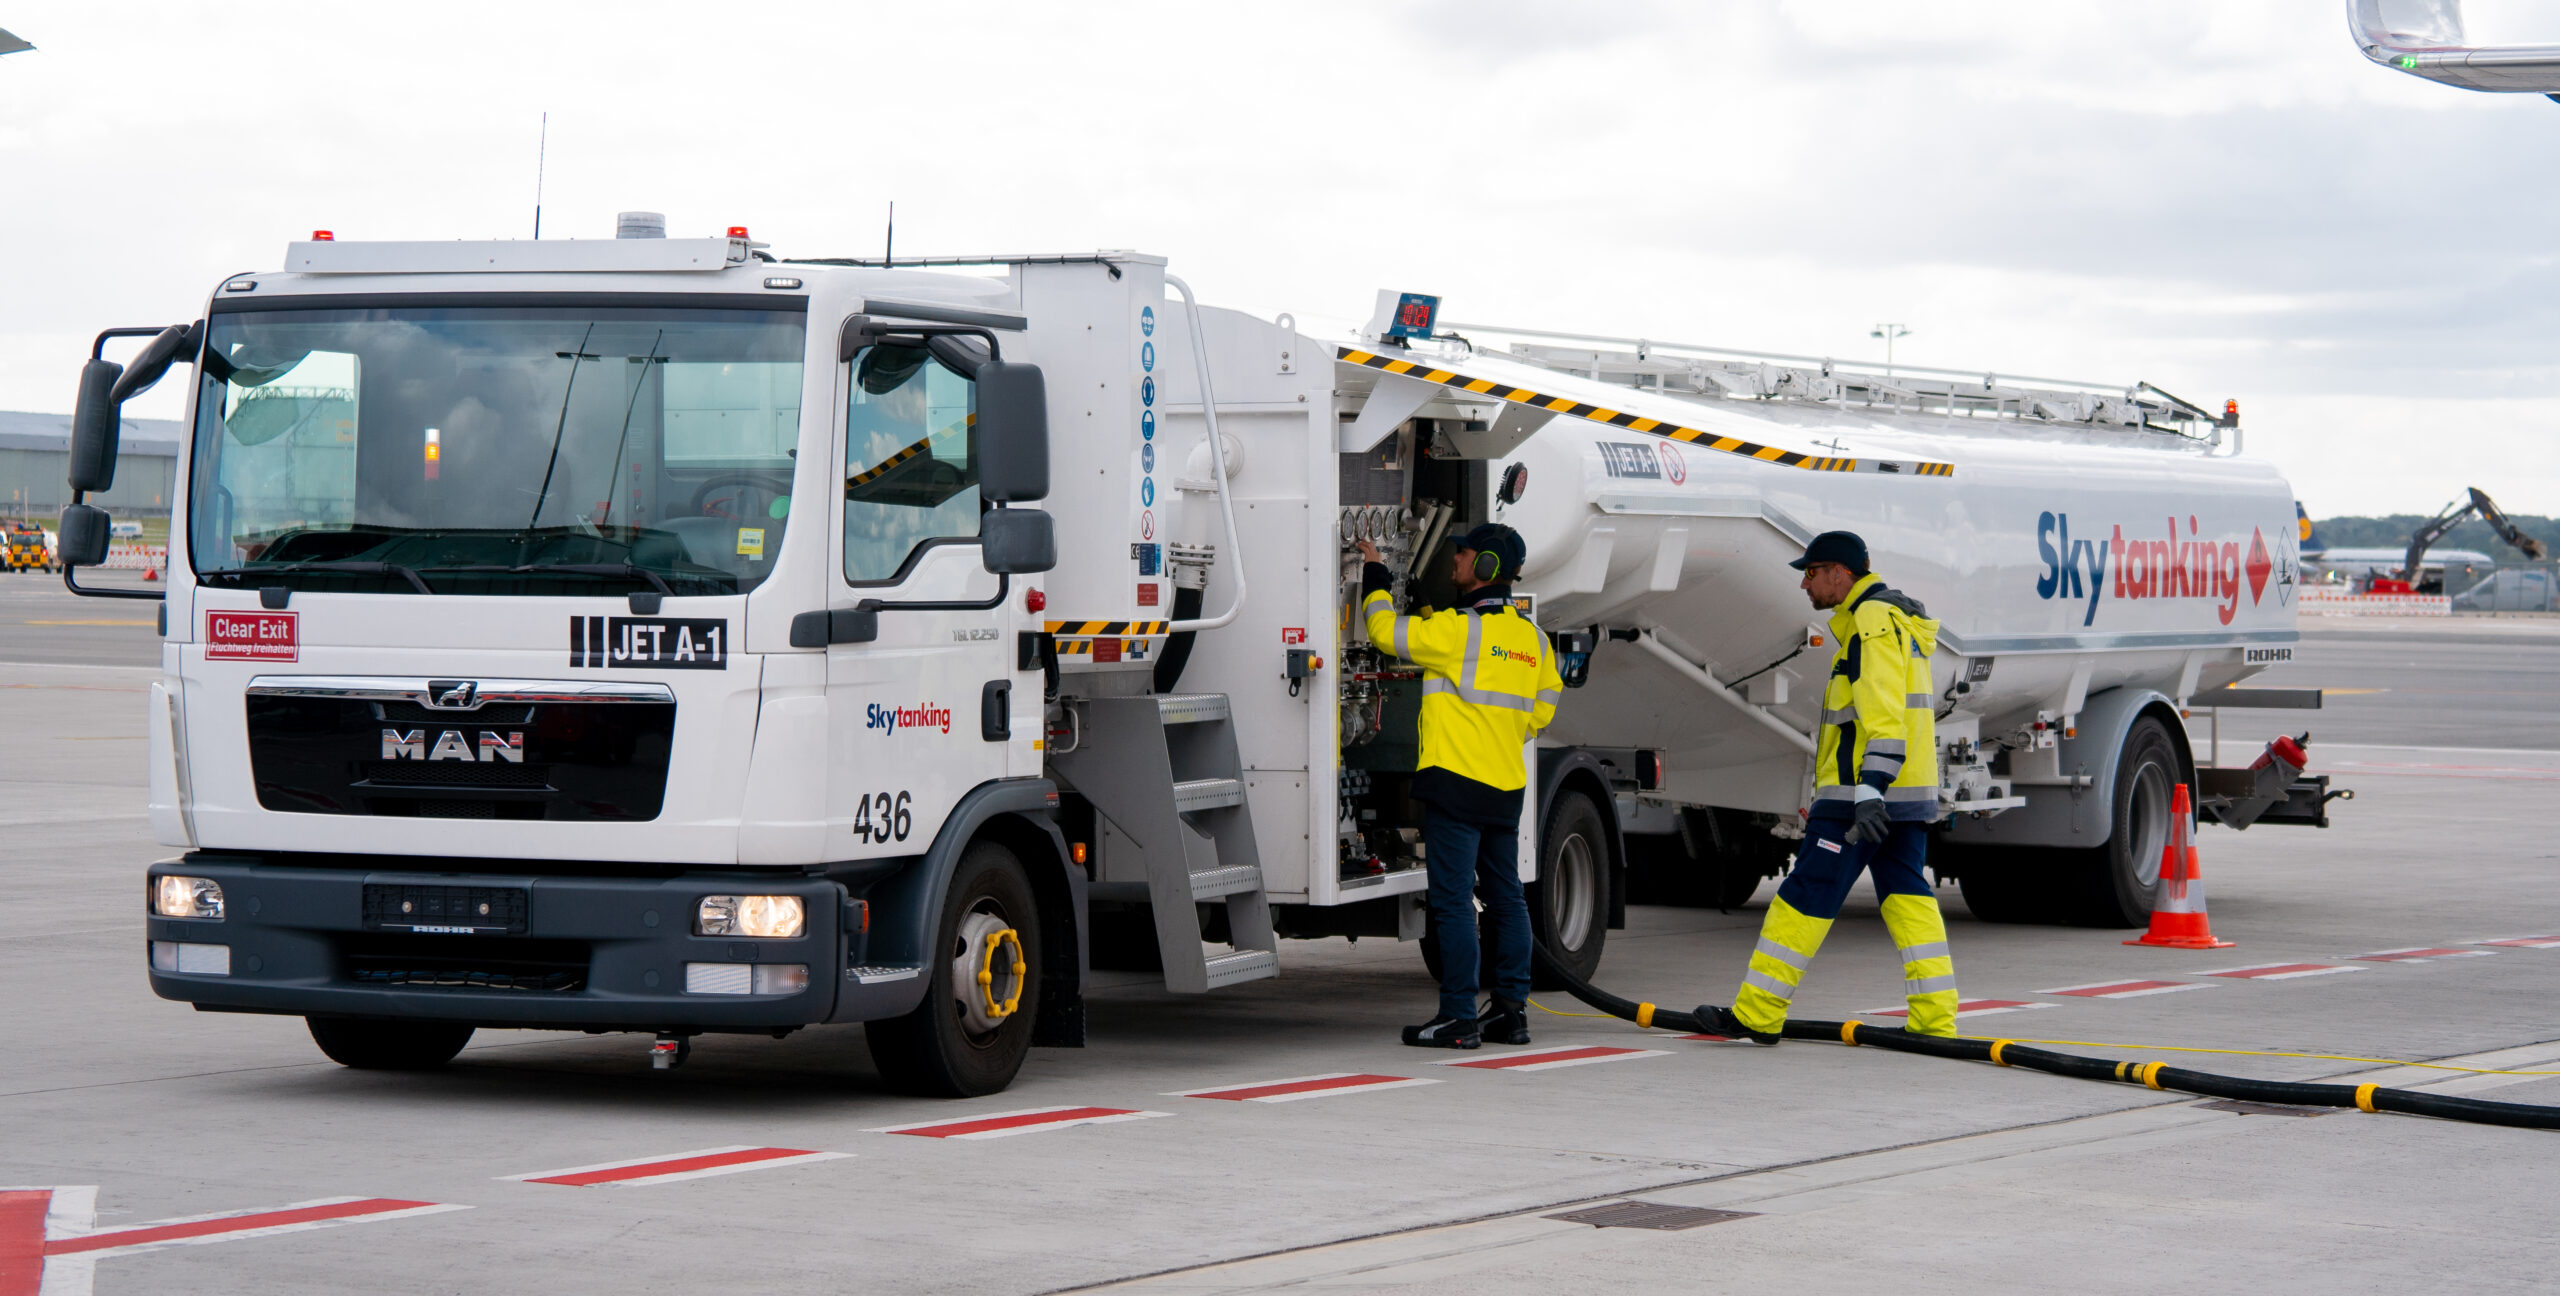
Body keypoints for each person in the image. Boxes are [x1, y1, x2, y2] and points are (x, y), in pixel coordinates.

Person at [1696, 531, 1957, 1042]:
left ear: (1840, 573)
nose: (1805, 584)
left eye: (1812, 573)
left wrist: (1869, 790)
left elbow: (1883, 716)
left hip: (1860, 799)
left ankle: (1758, 1013)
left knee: (1804, 895)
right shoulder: (1894, 620)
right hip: (1902, 797)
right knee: (1909, 898)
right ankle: (1934, 1020)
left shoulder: (1871, 622)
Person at [1356, 523, 1562, 1049]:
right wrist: (1499, 734)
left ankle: (1458, 1017)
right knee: (1507, 900)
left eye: (1464, 552)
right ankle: (1510, 1013)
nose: (1455, 559)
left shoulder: (1458, 631)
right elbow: (1542, 710)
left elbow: (1383, 632)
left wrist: (1375, 573)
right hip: (1504, 789)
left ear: (1486, 565)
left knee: (1452, 904)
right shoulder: (1534, 641)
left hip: (1454, 785)